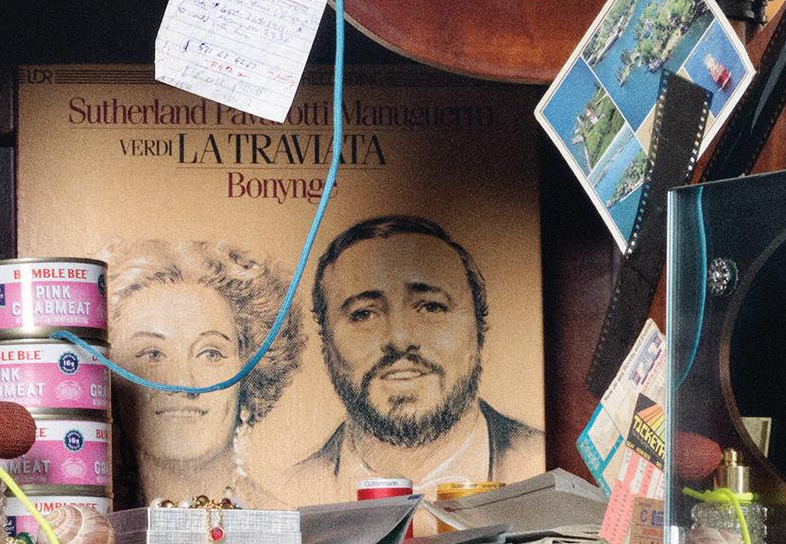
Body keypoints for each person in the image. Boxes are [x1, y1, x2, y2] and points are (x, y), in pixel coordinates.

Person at [277, 216, 537, 493]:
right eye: (364, 314)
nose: (400, 340)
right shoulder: (286, 492)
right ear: (325, 338)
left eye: (431, 307)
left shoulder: (538, 461)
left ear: (479, 325)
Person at [104, 240, 297, 505]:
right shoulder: (90, 522)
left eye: (210, 353)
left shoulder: (278, 519)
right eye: (153, 354)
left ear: (250, 374)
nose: (183, 382)